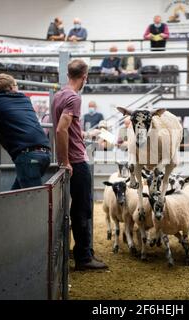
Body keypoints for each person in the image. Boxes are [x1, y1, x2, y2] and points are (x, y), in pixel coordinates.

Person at [52, 59, 107, 270]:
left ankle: (82, 252)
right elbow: (60, 129)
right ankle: (84, 257)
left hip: (71, 157)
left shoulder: (59, 95)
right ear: (84, 77)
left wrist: (85, 134)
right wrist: (66, 162)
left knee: (78, 208)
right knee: (82, 209)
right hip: (76, 161)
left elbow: (67, 127)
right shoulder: (74, 97)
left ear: (68, 74)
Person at [0, 74, 51, 190]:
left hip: (27, 157)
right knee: (16, 195)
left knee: (32, 198)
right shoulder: (25, 99)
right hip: (45, 154)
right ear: (12, 87)